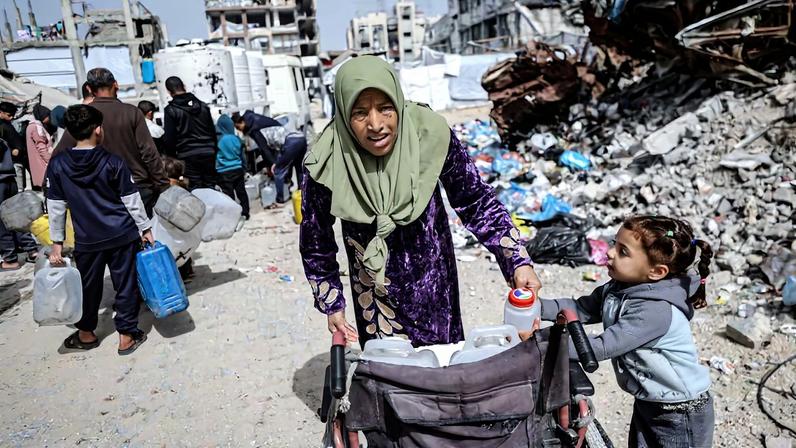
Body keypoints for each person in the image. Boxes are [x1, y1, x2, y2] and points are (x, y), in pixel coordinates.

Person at [300, 56, 540, 346]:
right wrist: (332, 302)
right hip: (376, 302)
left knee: (443, 373)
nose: (376, 124)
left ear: (399, 103)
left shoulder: (429, 134)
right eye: (360, 113)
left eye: (386, 108)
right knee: (392, 377)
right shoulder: (327, 159)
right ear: (343, 111)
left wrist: (516, 260)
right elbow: (316, 240)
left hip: (435, 294)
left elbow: (476, 201)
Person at [539, 215, 714, 448]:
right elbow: (580, 308)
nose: (610, 252)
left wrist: (544, 346)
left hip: (680, 412)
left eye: (623, 252)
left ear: (656, 271)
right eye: (614, 243)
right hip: (650, 401)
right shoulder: (620, 287)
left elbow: (603, 346)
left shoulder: (655, 311)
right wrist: (536, 307)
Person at [46, 105, 152, 355]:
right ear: (97, 130)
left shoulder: (58, 164)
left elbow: (56, 205)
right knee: (125, 285)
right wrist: (145, 228)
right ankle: (126, 335)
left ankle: (86, 333)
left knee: (87, 286)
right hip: (121, 234)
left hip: (87, 239)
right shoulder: (112, 160)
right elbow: (131, 198)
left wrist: (57, 242)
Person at [55, 68, 168, 217]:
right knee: (143, 234)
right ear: (116, 84)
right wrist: (163, 185)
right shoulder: (131, 112)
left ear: (89, 89)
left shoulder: (82, 116)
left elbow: (59, 156)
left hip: (98, 192)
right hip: (137, 189)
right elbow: (149, 152)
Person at [162, 76, 217, 190]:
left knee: (195, 189)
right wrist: (213, 149)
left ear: (168, 91)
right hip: (208, 152)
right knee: (210, 186)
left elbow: (169, 138)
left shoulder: (170, 110)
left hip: (187, 155)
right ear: (184, 86)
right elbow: (212, 131)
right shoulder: (203, 106)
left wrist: (172, 158)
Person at [0, 138, 39, 271]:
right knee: (18, 217)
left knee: (2, 222)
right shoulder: (3, 141)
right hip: (10, 180)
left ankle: (10, 258)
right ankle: (32, 250)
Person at [215, 114, 250, 220]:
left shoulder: (218, 140)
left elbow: (214, 158)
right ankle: (245, 212)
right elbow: (242, 155)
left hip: (223, 171)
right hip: (237, 169)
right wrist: (244, 168)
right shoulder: (236, 139)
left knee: (228, 195)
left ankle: (232, 216)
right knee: (241, 192)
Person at [262, 125, 307, 204]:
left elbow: (278, 152)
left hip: (291, 141)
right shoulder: (268, 129)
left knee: (278, 171)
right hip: (302, 138)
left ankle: (280, 198)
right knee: (299, 167)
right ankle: (302, 193)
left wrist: (276, 164)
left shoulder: (261, 136)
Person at [0, 101, 30, 191]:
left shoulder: (6, 124)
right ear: (1, 112)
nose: (12, 117)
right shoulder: (2, 126)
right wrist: (12, 150)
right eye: (9, 115)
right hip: (10, 165)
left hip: (14, 163)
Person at [26, 104, 54, 189]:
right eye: (47, 116)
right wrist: (51, 161)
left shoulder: (32, 126)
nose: (49, 118)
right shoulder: (37, 127)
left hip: (40, 164)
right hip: (43, 165)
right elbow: (41, 148)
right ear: (42, 115)